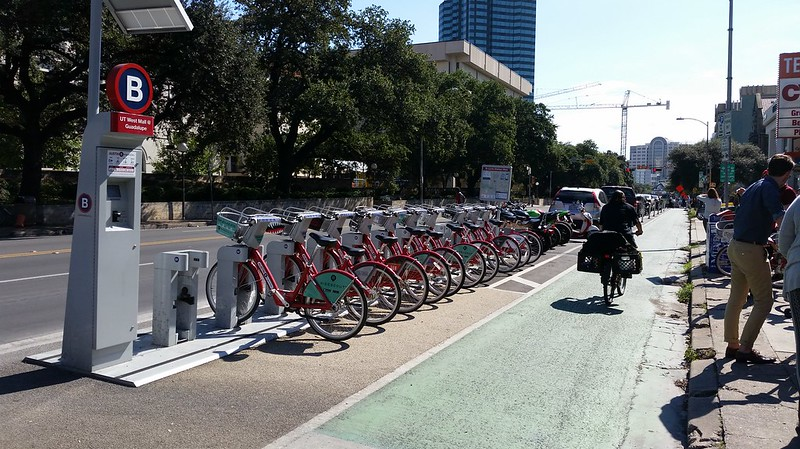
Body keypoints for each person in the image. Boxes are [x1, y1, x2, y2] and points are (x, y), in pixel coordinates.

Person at [724, 153, 795, 364]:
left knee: (736, 299)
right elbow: (782, 220)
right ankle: (745, 349)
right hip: (752, 250)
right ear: (787, 174)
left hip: (736, 246)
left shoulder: (756, 184)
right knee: (764, 301)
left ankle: (732, 345)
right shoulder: (771, 189)